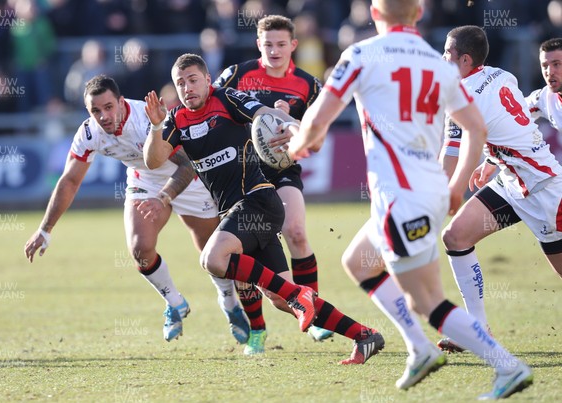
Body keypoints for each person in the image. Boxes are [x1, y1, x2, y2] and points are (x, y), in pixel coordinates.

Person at [287, 1, 532, 399]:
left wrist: (297, 145)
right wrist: (455, 188)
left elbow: (317, 122)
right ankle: (418, 348)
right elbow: (475, 127)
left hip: (399, 196)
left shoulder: (363, 53)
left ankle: (507, 367)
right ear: (418, 14)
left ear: (374, 13)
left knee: (427, 301)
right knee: (358, 262)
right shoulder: (438, 64)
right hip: (429, 189)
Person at [143, 53, 385, 365]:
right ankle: (364, 335)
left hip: (258, 200)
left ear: (206, 79)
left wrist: (293, 126)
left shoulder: (226, 97)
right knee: (280, 298)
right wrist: (154, 126)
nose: (187, 87)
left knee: (213, 259)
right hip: (240, 213)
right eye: (180, 83)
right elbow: (154, 160)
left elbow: (264, 113)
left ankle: (300, 297)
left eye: (193, 80)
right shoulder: (175, 119)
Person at [24, 75, 250, 344]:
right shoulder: (89, 133)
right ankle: (175, 302)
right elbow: (70, 180)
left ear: (121, 102)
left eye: (108, 107)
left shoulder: (146, 119)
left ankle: (228, 303)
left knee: (211, 254)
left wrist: (164, 197)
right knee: (139, 249)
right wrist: (45, 229)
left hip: (188, 177)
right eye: (95, 111)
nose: (104, 116)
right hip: (144, 179)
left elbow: (187, 166)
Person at [213, 14, 332, 354]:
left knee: (295, 230)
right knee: (243, 253)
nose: (275, 50)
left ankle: (316, 314)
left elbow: (319, 131)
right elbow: (215, 106)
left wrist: (290, 120)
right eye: (268, 44)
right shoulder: (237, 74)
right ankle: (257, 330)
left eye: (281, 44)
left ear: (294, 45)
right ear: (258, 45)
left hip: (282, 169)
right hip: (243, 170)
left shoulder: (309, 85)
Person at [438, 27, 562, 354]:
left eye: (447, 54)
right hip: (511, 182)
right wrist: (493, 160)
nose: (442, 59)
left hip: (545, 192)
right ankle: (478, 329)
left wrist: (434, 195)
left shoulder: (460, 95)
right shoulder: (501, 74)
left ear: (465, 60)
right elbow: (509, 121)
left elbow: (451, 155)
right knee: (455, 237)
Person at [526, 38, 562, 133]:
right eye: (545, 66)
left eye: (556, 64)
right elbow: (509, 113)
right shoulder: (544, 97)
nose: (549, 72)